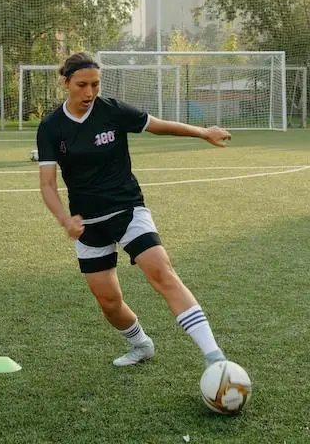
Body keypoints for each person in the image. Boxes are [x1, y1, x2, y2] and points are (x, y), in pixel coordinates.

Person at [36, 52, 233, 368]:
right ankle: (140, 344)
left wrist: (203, 132)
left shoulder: (112, 111)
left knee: (162, 273)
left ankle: (215, 358)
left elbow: (158, 125)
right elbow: (47, 185)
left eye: (95, 85)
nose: (89, 93)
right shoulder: (51, 127)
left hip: (127, 209)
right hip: (88, 225)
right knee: (109, 304)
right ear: (65, 83)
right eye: (82, 85)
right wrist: (65, 220)